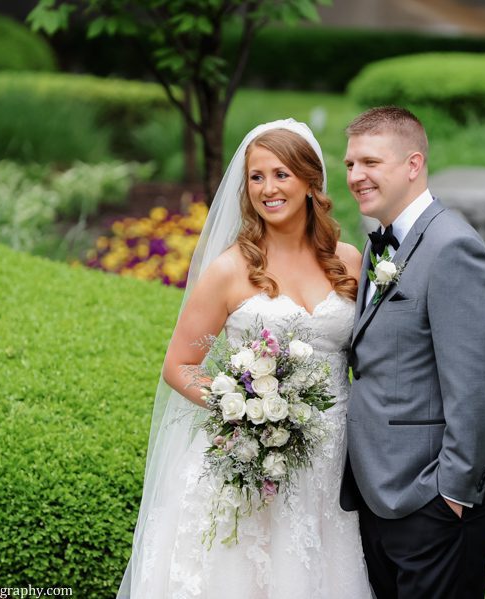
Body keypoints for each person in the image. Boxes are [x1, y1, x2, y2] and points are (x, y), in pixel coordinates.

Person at [117, 119, 372, 598]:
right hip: (250, 463)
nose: (268, 189)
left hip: (333, 464)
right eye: (256, 177)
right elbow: (179, 365)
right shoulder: (230, 270)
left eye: (281, 174)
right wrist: (236, 411)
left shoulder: (349, 262)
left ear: (311, 182)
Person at [340, 106, 485, 599]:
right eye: (351, 164)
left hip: (432, 501)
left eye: (371, 162)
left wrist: (451, 497)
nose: (356, 175)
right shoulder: (384, 243)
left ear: (413, 165)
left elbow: (477, 387)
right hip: (383, 492)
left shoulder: (453, 248)